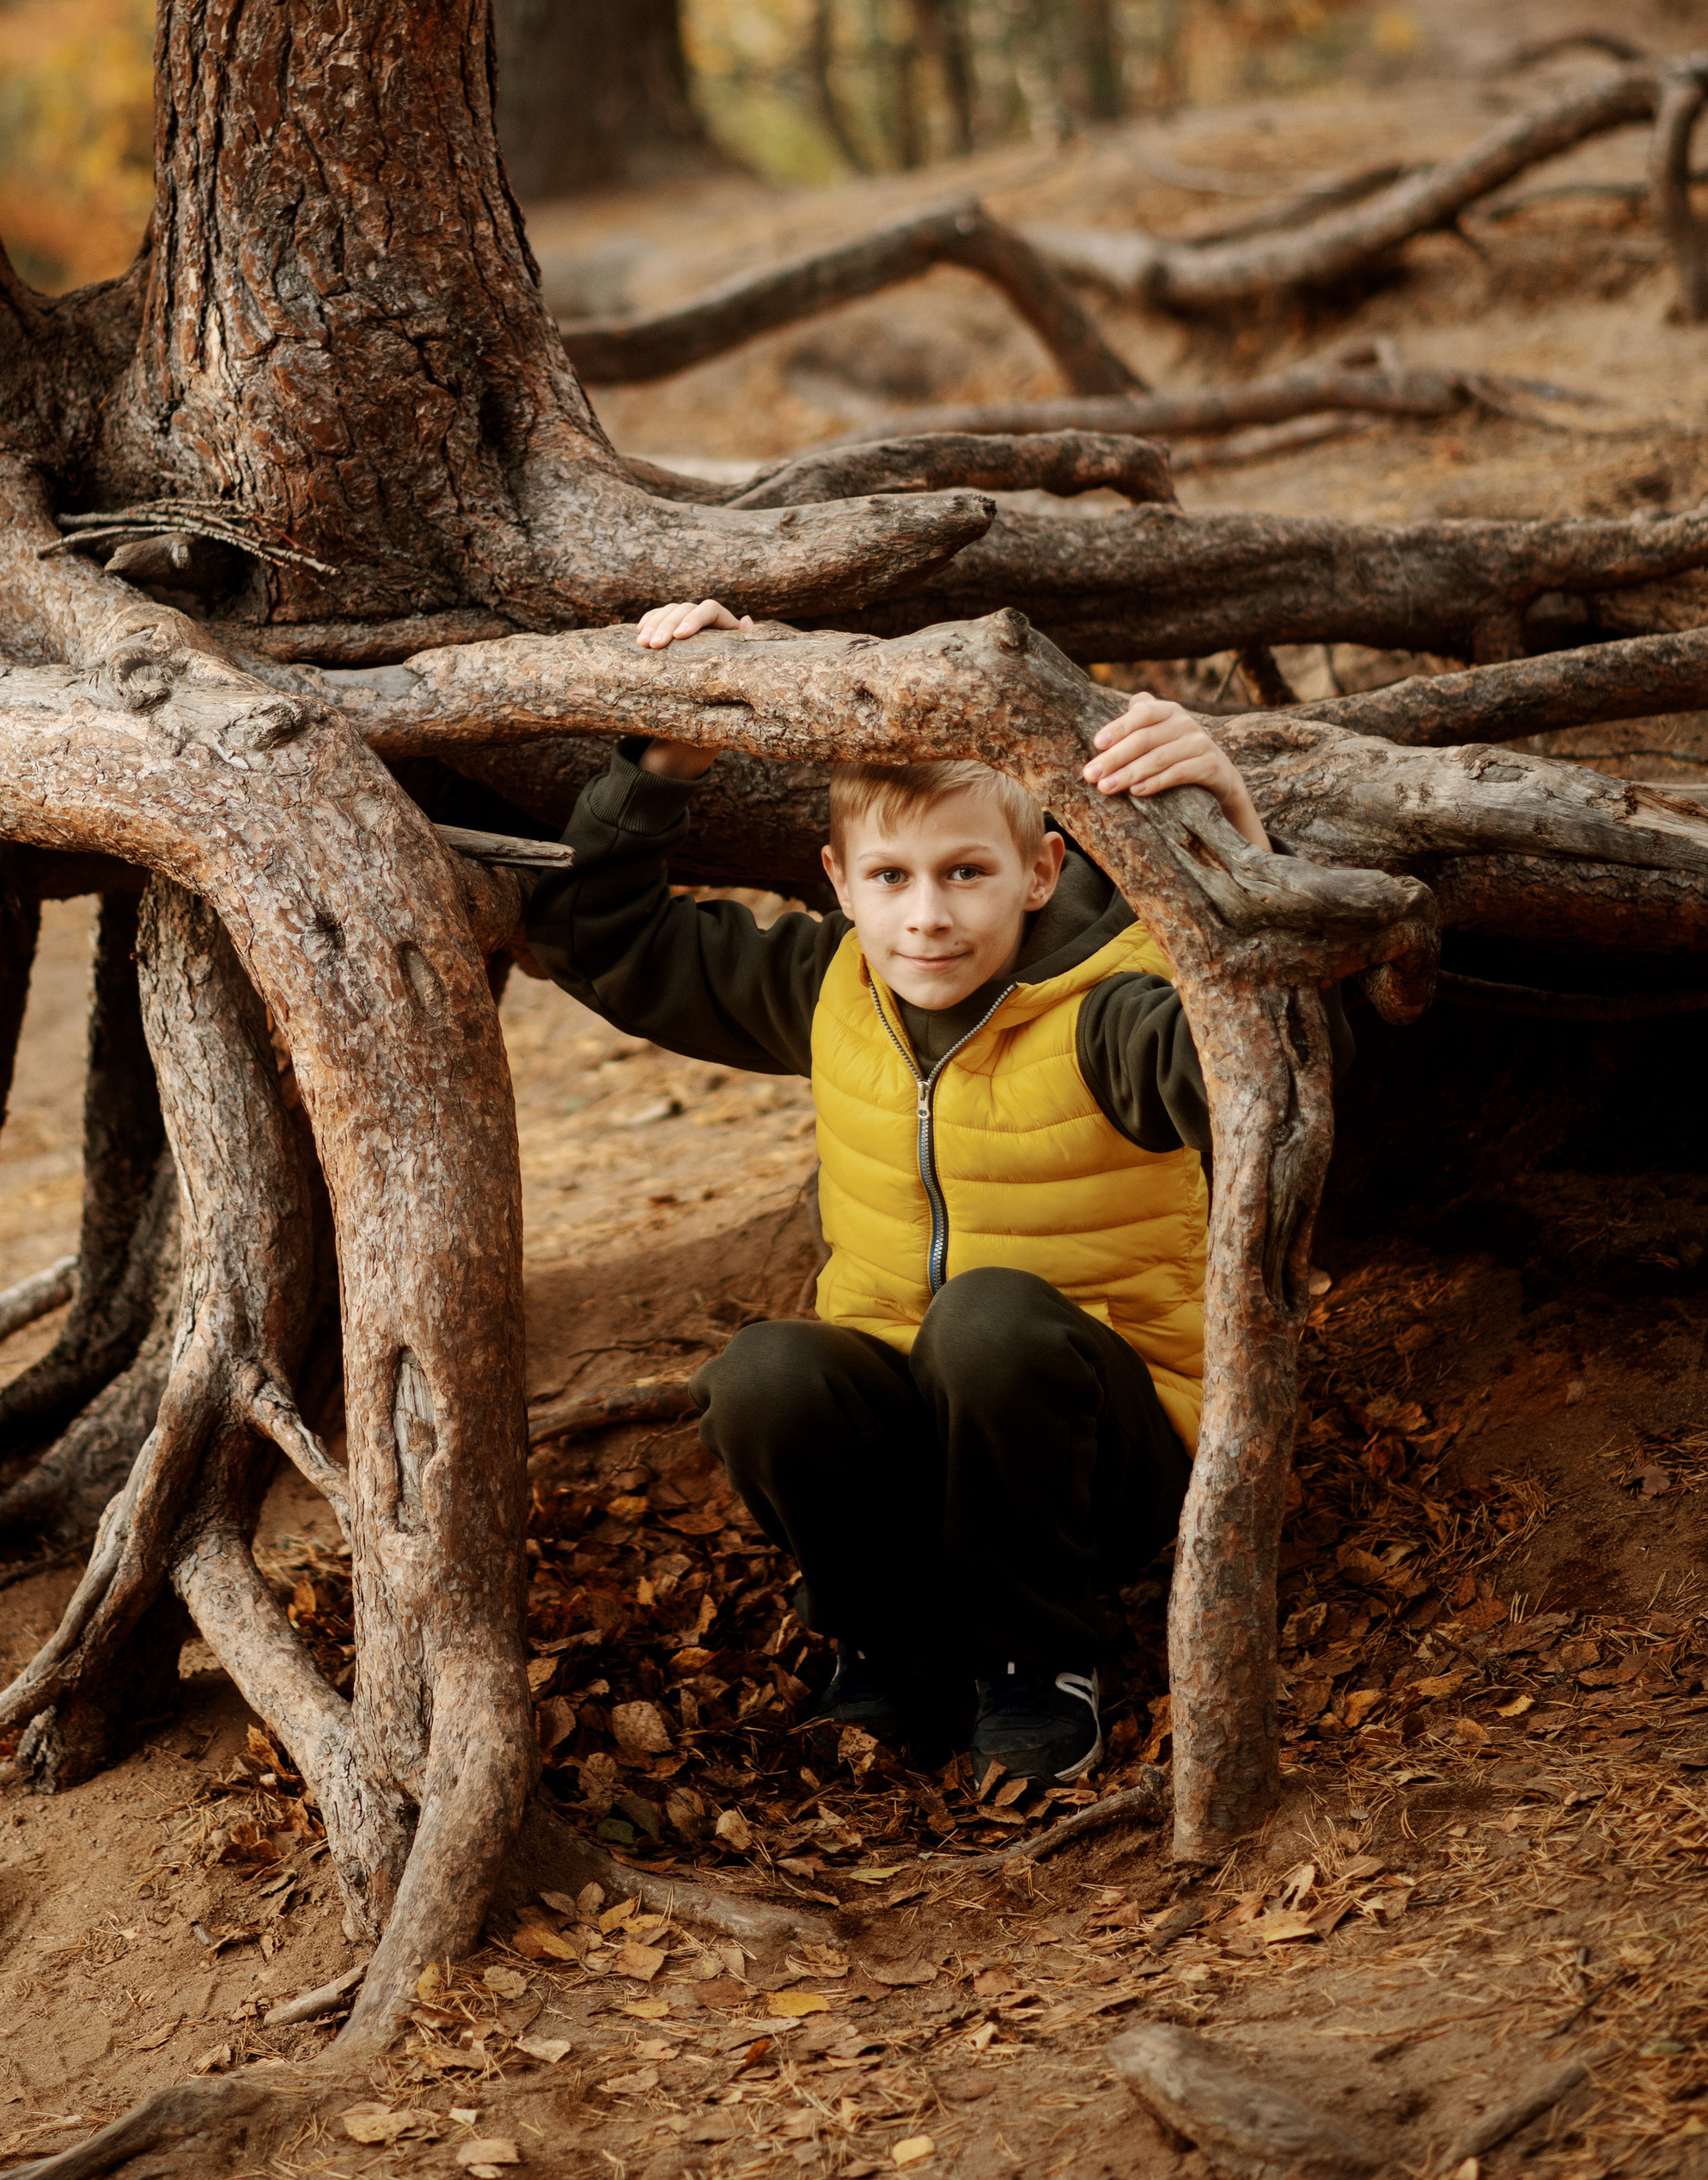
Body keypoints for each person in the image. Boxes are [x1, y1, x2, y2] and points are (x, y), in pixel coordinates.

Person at [523, 595, 1286, 1796]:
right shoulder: (828, 990)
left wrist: (1238, 842)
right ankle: (890, 1639)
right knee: (765, 1375)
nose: (927, 914)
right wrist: (669, 748)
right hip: (924, 1459)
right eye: (892, 875)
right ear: (838, 882)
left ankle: (1041, 1659)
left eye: (968, 872)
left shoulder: (1114, 1005)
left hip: (1106, 1455)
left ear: (1040, 871)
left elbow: (1267, 1073)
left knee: (985, 1320)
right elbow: (602, 941)